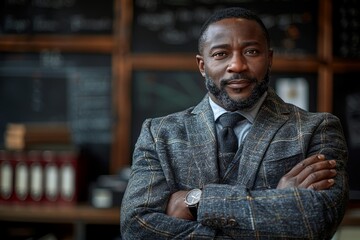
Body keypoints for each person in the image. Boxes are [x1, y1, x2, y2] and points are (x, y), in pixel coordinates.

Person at [121, 7, 348, 239]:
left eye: (251, 51)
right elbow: (136, 227)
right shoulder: (159, 134)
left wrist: (197, 201)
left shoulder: (317, 129)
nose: (237, 65)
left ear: (269, 59)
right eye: (221, 54)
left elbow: (318, 220)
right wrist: (278, 204)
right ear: (202, 65)